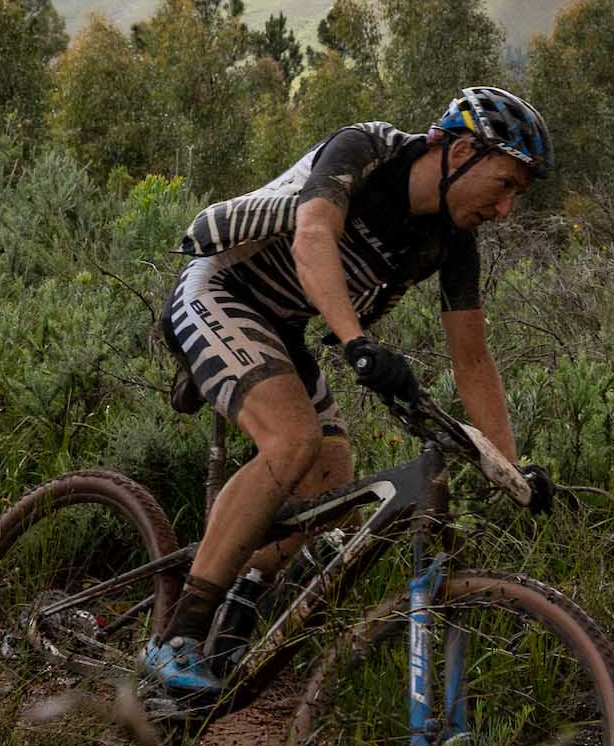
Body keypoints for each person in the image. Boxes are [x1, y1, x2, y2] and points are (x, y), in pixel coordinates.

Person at [143, 86, 558, 697]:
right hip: (220, 288)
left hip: (280, 326)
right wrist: (357, 341)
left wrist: (511, 465)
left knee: (333, 479)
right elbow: (313, 236)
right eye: (505, 185)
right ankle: (175, 637)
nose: (505, 210)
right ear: (462, 151)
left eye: (517, 195)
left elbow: (472, 360)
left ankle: (234, 615)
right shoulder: (367, 151)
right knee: (293, 440)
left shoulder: (451, 244)